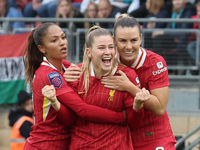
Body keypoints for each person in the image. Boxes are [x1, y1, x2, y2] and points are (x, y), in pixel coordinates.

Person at [22, 22, 143, 150]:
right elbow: (82, 110)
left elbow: (70, 118)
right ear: (42, 49)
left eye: (63, 37)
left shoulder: (67, 67)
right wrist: (121, 117)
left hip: (62, 143)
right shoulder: (50, 75)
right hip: (45, 144)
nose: (62, 42)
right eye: (54, 40)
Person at [99, 14, 177, 150]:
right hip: (122, 136)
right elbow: (87, 64)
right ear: (114, 41)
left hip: (155, 136)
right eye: (123, 41)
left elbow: (159, 108)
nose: (129, 47)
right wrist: (69, 69)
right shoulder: (108, 61)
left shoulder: (155, 62)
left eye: (134, 40)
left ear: (141, 38)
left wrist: (129, 86)